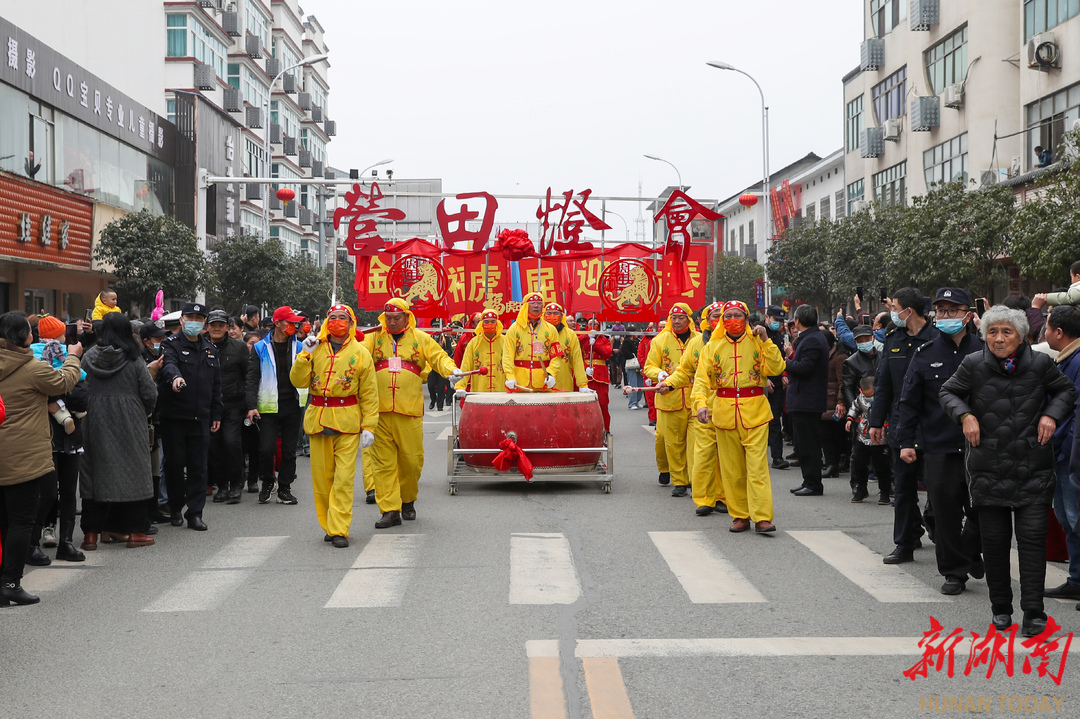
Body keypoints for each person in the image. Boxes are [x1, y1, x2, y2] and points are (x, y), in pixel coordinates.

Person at [940, 306, 1075, 636]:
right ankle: (1000, 608)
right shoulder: (973, 364)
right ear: (984, 335)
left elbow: (1065, 391)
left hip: (1033, 467)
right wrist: (965, 416)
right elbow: (948, 392)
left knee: (1031, 544)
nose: (999, 339)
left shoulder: (1041, 364)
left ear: (1021, 335)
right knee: (996, 544)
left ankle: (1034, 612)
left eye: (1006, 332)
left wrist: (1051, 416)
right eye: (992, 332)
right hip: (988, 469)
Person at [895, 288, 985, 592]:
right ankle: (954, 572)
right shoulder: (925, 354)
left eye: (953, 311)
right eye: (941, 311)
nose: (946, 316)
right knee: (945, 513)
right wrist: (906, 441)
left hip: (981, 448)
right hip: (939, 445)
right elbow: (909, 402)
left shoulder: (985, 351)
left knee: (982, 511)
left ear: (969, 315)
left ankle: (971, 551)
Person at [0, 311, 81, 606]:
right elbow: (64, 382)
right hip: (23, 456)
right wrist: (73, 356)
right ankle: (11, 582)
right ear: (25, 337)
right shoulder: (32, 367)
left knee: (3, 523)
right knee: (21, 523)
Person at [364, 298, 462, 528]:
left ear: (407, 317)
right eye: (388, 318)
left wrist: (451, 370)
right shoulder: (374, 337)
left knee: (412, 462)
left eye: (397, 318)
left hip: (409, 411)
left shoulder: (420, 338)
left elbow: (439, 357)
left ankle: (408, 500)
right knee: (383, 463)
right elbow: (358, 355)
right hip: (379, 411)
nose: (392, 322)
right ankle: (390, 509)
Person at [691, 301, 785, 533]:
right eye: (728, 316)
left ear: (746, 318)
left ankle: (762, 516)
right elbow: (701, 381)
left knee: (757, 467)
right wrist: (701, 405)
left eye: (738, 315)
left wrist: (766, 339)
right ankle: (740, 514)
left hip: (755, 411)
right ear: (722, 320)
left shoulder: (757, 341)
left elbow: (776, 368)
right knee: (732, 469)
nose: (733, 320)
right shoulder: (712, 347)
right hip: (723, 412)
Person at [290, 304, 379, 548]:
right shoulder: (313, 347)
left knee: (343, 479)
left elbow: (370, 392)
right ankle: (328, 525)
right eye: (333, 317)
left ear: (351, 323)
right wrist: (304, 356)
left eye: (342, 318)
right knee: (322, 480)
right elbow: (298, 381)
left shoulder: (361, 352)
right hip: (318, 419)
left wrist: (369, 425)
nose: (337, 321)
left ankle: (339, 529)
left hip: (348, 421)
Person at [79, 313, 159, 550]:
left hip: (94, 418)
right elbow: (150, 393)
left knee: (93, 473)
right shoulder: (134, 359)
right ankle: (135, 532)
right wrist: (142, 411)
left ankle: (91, 535)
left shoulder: (89, 357)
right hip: (130, 419)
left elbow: (80, 386)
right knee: (135, 471)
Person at [870, 288, 938, 564]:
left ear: (909, 310)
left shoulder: (937, 338)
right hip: (902, 423)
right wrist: (876, 421)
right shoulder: (893, 338)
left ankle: (939, 529)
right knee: (904, 487)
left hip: (934, 422)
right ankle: (905, 542)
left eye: (895, 307)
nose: (893, 312)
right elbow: (883, 383)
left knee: (939, 485)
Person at [658, 301, 728, 516]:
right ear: (704, 319)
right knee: (702, 454)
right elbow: (684, 370)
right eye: (714, 315)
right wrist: (669, 382)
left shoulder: (734, 343)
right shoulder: (696, 344)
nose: (719, 319)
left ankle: (722, 496)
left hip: (727, 409)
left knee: (723, 457)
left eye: (722, 315)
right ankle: (704, 498)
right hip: (701, 407)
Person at [158, 302, 222, 531]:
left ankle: (195, 513)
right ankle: (175, 507)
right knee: (175, 464)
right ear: (182, 319)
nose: (194, 320)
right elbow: (169, 367)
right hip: (174, 416)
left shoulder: (210, 349)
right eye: (190, 316)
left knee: (198, 467)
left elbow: (216, 385)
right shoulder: (170, 344)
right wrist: (175, 379)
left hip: (201, 417)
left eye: (199, 317)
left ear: (204, 323)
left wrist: (216, 412)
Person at [246, 306, 307, 506]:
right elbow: (252, 378)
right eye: (290, 322)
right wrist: (251, 405)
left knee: (289, 451)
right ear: (278, 323)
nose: (294, 325)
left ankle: (285, 488)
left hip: (292, 404)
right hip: (268, 406)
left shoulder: (301, 347)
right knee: (266, 449)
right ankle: (267, 483)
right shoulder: (260, 347)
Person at [1042, 306, 1080, 600]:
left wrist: (1066, 449)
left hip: (1070, 455)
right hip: (1061, 453)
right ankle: (1076, 580)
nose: (1043, 332)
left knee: (1075, 517)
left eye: (1046, 326)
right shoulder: (1065, 360)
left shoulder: (1077, 361)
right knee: (1068, 519)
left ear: (1059, 332)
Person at [644, 303, 699, 497]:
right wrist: (659, 375)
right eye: (673, 317)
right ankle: (679, 481)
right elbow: (649, 366)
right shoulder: (660, 340)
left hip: (695, 400)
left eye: (681, 317)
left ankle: (694, 479)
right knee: (673, 443)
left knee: (694, 443)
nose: (676, 321)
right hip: (669, 399)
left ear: (689, 319)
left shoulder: (699, 340)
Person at [841, 325, 890, 503]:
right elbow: (846, 387)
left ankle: (886, 489)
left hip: (883, 412)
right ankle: (859, 488)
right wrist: (855, 411)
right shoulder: (851, 362)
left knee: (883, 457)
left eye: (867, 339)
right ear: (855, 342)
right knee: (858, 456)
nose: (864, 343)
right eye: (860, 341)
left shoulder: (884, 356)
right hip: (862, 415)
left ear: (873, 338)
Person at [785, 305, 830, 497]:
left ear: (797, 321)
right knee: (803, 443)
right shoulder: (809, 336)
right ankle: (808, 480)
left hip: (807, 401)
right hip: (803, 399)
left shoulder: (812, 339)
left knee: (808, 444)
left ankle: (813, 483)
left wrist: (784, 362)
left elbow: (805, 367)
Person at [206, 309, 249, 505]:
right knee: (214, 447)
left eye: (221, 325)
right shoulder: (202, 346)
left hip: (233, 404)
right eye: (213, 325)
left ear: (227, 327)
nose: (217, 329)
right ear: (207, 327)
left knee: (231, 442)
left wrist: (250, 405)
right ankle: (221, 486)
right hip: (208, 406)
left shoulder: (239, 348)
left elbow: (248, 375)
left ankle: (236, 485)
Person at [501, 293, 566, 393]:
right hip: (519, 382)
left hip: (543, 381)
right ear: (525, 306)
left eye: (539, 303)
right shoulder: (514, 329)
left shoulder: (551, 329)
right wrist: (510, 376)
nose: (536, 306)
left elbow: (556, 356)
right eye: (533, 303)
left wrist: (551, 374)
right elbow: (507, 355)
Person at [139, 322, 169, 522]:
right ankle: (148, 510)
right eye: (157, 339)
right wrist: (151, 372)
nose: (161, 342)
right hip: (147, 421)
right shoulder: (140, 361)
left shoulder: (165, 356)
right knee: (150, 467)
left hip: (162, 419)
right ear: (146, 341)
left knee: (159, 465)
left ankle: (158, 505)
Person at [846, 376, 892, 504]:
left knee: (882, 466)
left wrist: (885, 426)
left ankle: (885, 492)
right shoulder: (860, 398)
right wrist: (850, 418)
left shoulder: (883, 398)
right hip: (863, 434)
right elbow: (854, 407)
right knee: (859, 464)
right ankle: (861, 489)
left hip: (880, 436)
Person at [454, 310, 507, 396]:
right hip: (479, 390)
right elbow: (466, 365)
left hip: (501, 390)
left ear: (497, 323)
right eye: (486, 321)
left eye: (493, 321)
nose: (490, 324)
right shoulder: (474, 343)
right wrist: (460, 386)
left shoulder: (505, 341)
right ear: (481, 323)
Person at [820, 331, 849, 479]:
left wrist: (840, 401)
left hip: (835, 403)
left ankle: (834, 464)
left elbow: (842, 382)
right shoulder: (825, 356)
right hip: (825, 402)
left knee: (834, 435)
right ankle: (831, 463)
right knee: (826, 435)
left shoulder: (839, 358)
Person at [763, 306, 789, 469]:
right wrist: (764, 379)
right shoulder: (756, 334)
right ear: (767, 317)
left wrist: (784, 375)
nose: (777, 323)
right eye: (775, 320)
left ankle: (777, 457)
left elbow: (782, 360)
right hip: (760, 383)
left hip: (778, 383)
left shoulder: (780, 336)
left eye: (780, 321)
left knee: (774, 420)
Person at [543, 304, 589, 393]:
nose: (552, 316)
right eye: (549, 313)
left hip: (564, 382)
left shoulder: (570, 334)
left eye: (556, 313)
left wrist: (582, 384)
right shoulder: (537, 333)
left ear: (561, 316)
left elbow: (577, 361)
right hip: (542, 381)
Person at [579, 319, 612, 433]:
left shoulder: (604, 340)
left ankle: (605, 428)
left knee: (602, 403)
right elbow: (575, 354)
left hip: (600, 376)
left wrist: (596, 344)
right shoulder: (581, 339)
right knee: (584, 404)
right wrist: (584, 367)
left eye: (596, 324)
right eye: (590, 324)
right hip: (585, 373)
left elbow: (607, 354)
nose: (594, 326)